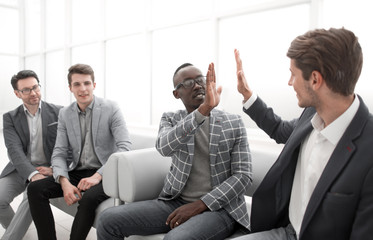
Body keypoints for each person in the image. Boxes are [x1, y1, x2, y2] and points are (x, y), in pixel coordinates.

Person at [232, 27, 373, 240]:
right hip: (287, 233)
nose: (290, 82)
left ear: (315, 80)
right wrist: (248, 96)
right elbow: (281, 130)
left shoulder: (369, 149)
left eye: (293, 74)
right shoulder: (311, 113)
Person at [97, 63, 251, 240]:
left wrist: (201, 204)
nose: (198, 85)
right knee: (108, 219)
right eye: (188, 83)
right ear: (176, 94)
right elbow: (164, 147)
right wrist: (203, 110)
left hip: (221, 208)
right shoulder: (171, 118)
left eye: (200, 79)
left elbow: (243, 175)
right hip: (175, 202)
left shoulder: (233, 122)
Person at [27, 63, 132, 240]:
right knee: (35, 189)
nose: (82, 89)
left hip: (107, 173)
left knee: (89, 199)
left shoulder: (111, 108)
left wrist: (97, 176)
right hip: (78, 171)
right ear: (70, 88)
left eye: (87, 83)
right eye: (77, 84)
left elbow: (125, 147)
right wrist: (64, 180)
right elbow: (59, 152)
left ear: (94, 85)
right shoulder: (65, 113)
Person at [0, 70, 62, 240]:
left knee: (32, 195)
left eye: (35, 87)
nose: (33, 93)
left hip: (48, 169)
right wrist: (32, 173)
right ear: (17, 93)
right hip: (20, 169)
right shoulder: (10, 118)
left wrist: (52, 169)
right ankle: (16, 230)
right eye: (26, 90)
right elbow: (14, 150)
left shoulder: (59, 112)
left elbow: (66, 147)